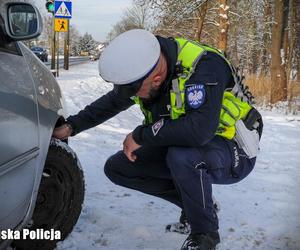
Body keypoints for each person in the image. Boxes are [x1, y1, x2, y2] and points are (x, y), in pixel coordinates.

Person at [53, 29, 263, 250]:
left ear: (156, 78)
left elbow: (199, 131)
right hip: (189, 145)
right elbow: (113, 102)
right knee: (118, 167)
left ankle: (205, 236)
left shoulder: (204, 67)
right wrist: (71, 126)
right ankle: (200, 206)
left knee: (182, 157)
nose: (134, 97)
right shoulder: (146, 67)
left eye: (136, 92)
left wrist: (141, 134)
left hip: (235, 148)